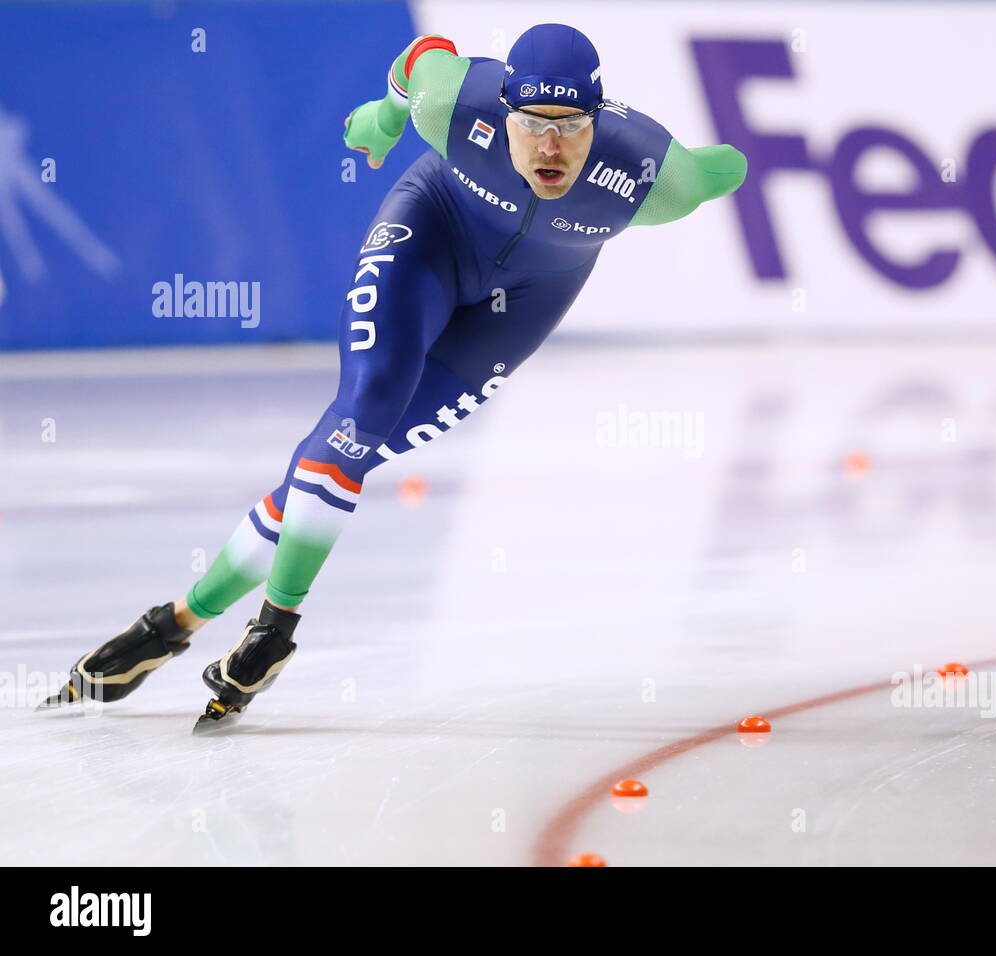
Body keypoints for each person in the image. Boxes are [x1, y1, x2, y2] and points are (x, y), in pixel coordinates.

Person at [40, 23, 747, 729]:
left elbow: (726, 168)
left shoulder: (658, 177)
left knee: (342, 457)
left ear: (599, 116)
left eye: (570, 126)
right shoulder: (453, 105)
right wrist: (383, 120)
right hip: (430, 234)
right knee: (362, 412)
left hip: (526, 302)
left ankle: (172, 625)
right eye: (531, 124)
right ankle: (274, 629)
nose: (550, 147)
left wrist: (733, 152)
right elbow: (423, 56)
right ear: (503, 109)